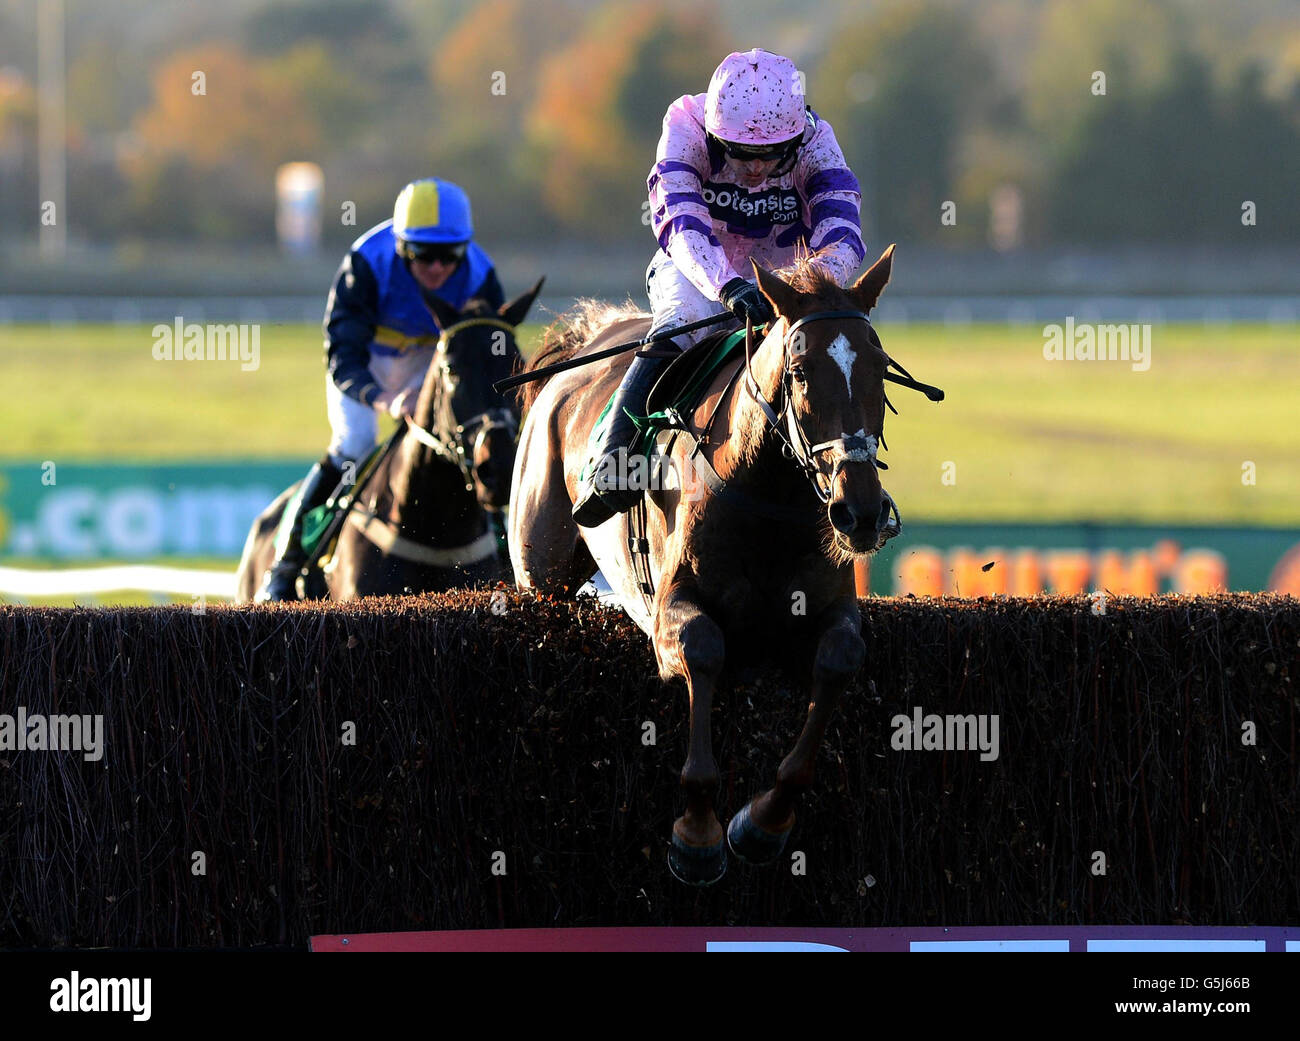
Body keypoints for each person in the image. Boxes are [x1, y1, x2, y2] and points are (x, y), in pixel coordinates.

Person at [572, 48, 867, 528]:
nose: (753, 169)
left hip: (786, 276)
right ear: (712, 132)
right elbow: (680, 222)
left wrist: (802, 289)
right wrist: (727, 285)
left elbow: (843, 233)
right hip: (694, 267)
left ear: (795, 139)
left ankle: (859, 474)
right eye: (739, 154)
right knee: (684, 323)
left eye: (769, 156)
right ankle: (613, 460)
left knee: (837, 349)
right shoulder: (684, 125)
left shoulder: (818, 143)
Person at [255, 177, 505, 601]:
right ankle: (287, 564)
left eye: (450, 255)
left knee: (475, 443)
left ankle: (507, 549)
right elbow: (343, 353)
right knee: (355, 442)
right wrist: (385, 398)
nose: (438, 267)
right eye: (424, 254)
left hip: (434, 362)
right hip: (369, 363)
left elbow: (487, 354)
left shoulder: (481, 276)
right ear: (401, 246)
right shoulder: (366, 265)